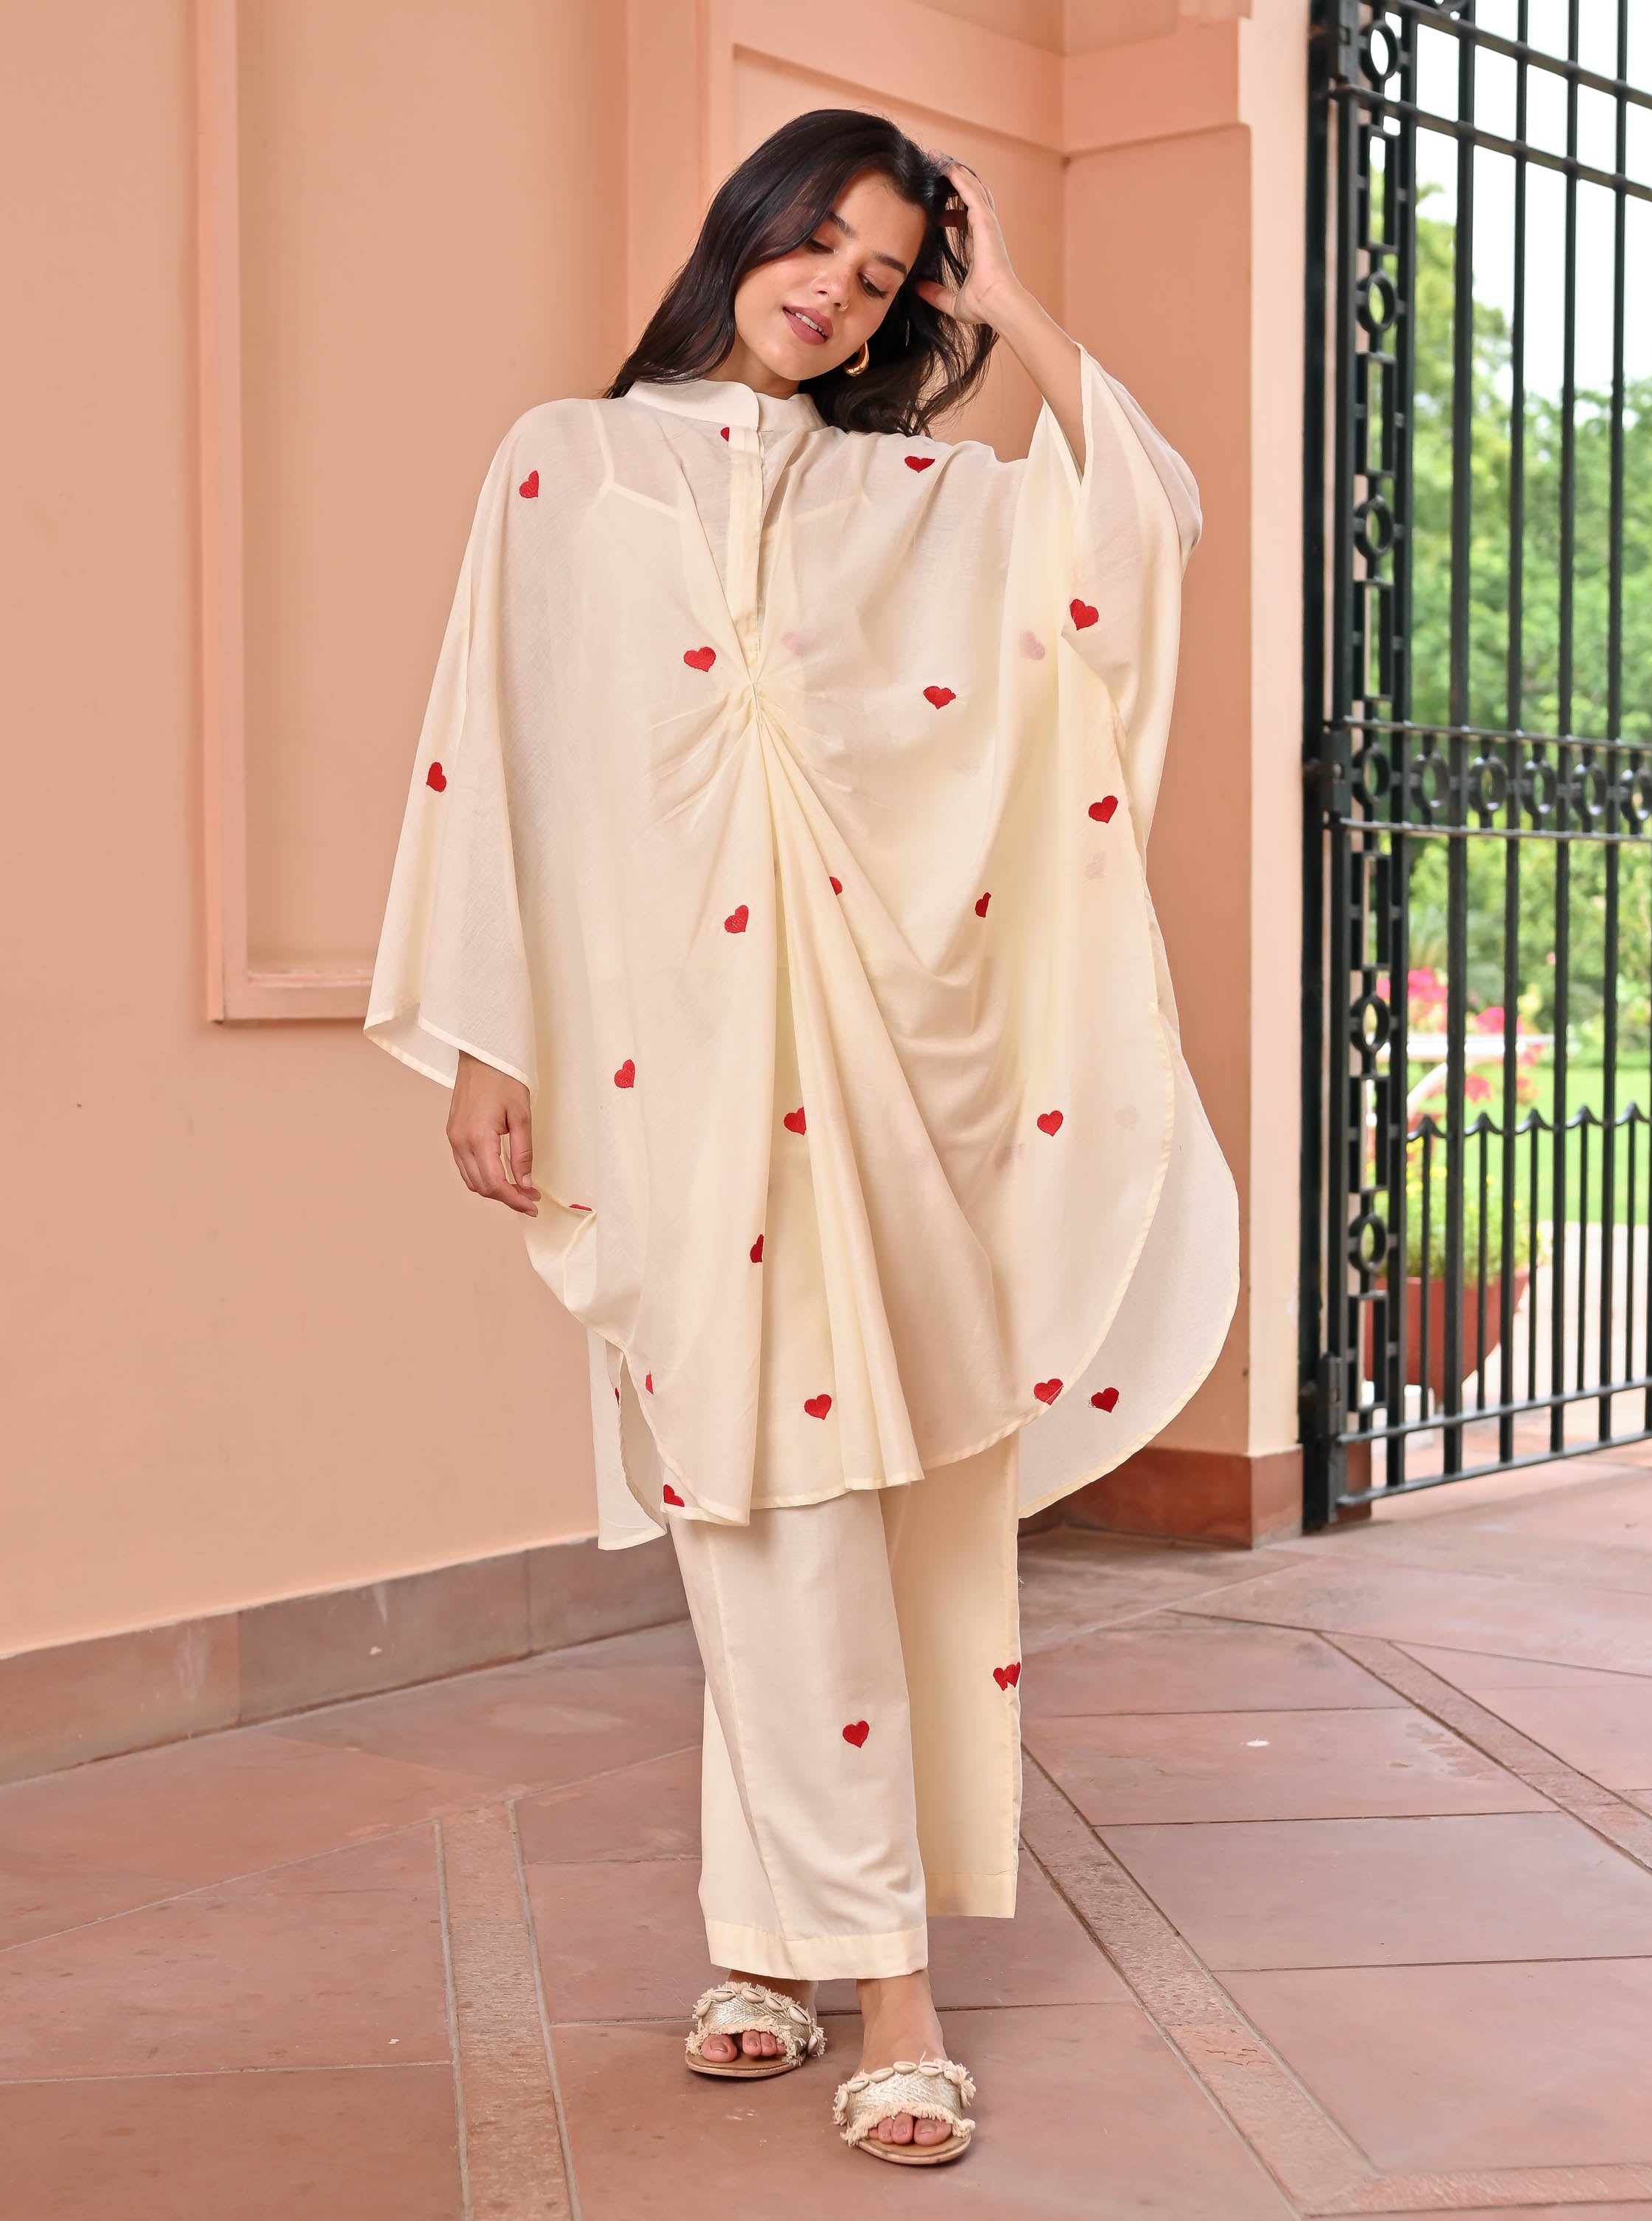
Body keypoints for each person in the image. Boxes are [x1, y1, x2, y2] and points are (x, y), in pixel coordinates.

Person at [366, 108, 1236, 2168]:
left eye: (883, 269)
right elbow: (494, 754)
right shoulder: (564, 467)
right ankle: (794, 1949)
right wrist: (493, 1042)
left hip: (868, 1078)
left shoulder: (903, 494)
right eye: (815, 238)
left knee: (826, 1496)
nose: (835, 287)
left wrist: (1008, 300)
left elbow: (1142, 521)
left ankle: (861, 1978)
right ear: (742, 226)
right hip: (658, 1074)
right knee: (746, 1493)